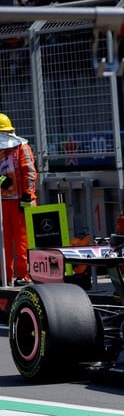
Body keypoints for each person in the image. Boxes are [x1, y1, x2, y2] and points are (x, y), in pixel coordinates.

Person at [0, 113, 38, 286]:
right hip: (2, 203)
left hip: (21, 201)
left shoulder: (22, 147)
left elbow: (29, 172)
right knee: (3, 242)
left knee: (24, 240)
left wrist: (27, 195)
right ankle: (5, 276)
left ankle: (25, 275)